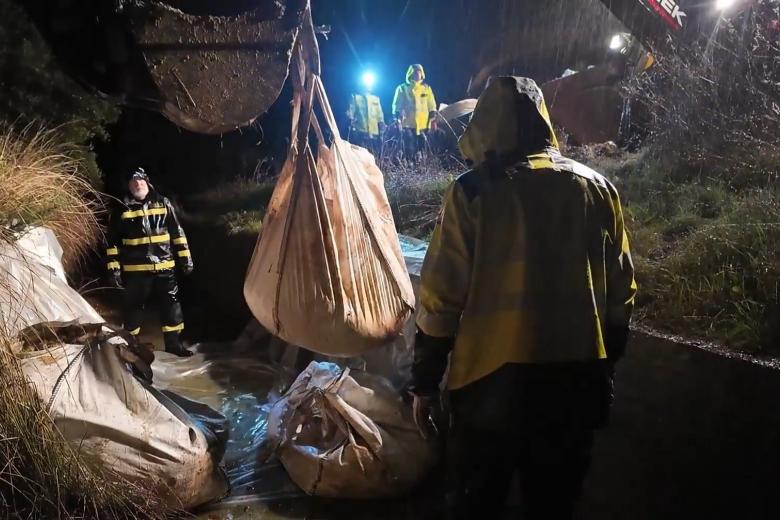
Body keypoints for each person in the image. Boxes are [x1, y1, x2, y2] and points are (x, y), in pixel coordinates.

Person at [409, 76, 637, 520]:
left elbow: (440, 300)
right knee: (554, 505)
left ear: (486, 126)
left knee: (478, 503)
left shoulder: (474, 192)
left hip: (490, 388)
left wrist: (423, 382)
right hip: (576, 384)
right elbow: (621, 292)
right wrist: (606, 366)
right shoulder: (597, 188)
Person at [105, 167, 195, 357]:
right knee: (133, 307)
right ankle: (130, 347)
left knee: (171, 305)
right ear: (128, 186)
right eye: (133, 181)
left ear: (147, 182)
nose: (137, 183)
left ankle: (174, 345)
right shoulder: (122, 207)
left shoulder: (163, 203)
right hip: (135, 269)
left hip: (165, 266)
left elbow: (177, 233)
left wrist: (185, 257)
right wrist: (114, 269)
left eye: (140, 180)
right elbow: (112, 242)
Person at [392, 64, 437, 161]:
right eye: (415, 71)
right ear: (410, 74)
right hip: (407, 123)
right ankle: (409, 164)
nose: (417, 73)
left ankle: (420, 165)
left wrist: (433, 120)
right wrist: (398, 120)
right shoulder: (402, 88)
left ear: (422, 74)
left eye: (419, 71)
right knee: (409, 145)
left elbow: (431, 105)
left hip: (423, 124)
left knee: (422, 146)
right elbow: (397, 105)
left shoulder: (426, 88)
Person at [346, 88, 385, 155]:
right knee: (360, 154)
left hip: (374, 133)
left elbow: (380, 114)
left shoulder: (375, 99)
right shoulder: (356, 98)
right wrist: (352, 123)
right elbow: (350, 113)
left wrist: (381, 126)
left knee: (373, 154)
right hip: (360, 132)